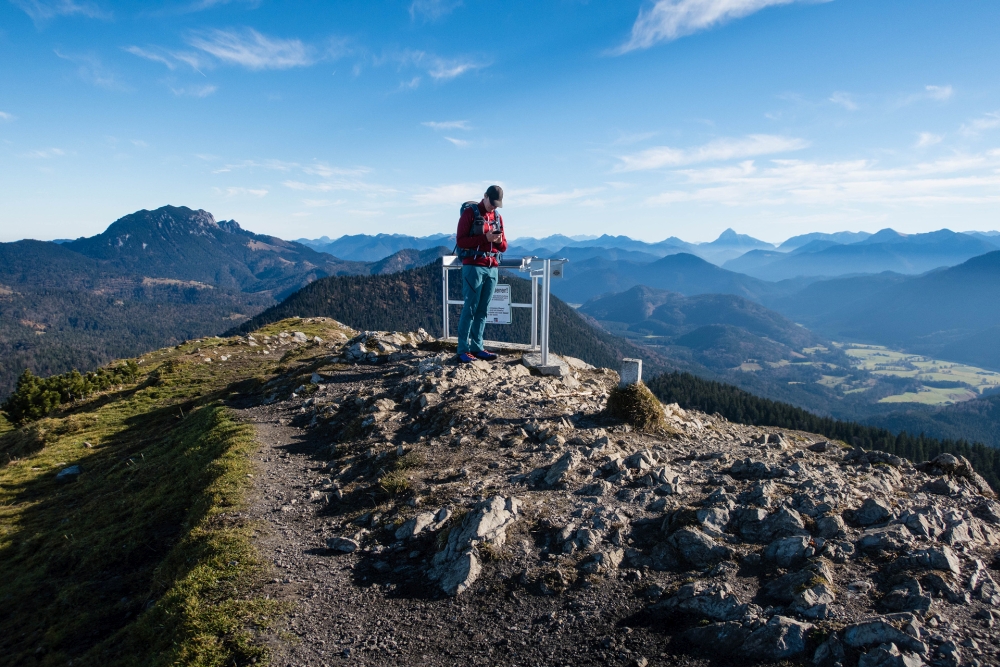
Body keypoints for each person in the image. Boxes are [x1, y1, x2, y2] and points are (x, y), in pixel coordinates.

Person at [454, 184, 508, 363]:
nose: (493, 207)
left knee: (483, 309)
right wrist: (485, 238)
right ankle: (463, 349)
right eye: (492, 202)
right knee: (470, 307)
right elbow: (461, 241)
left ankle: (477, 347)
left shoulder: (497, 217)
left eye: (496, 204)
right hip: (474, 266)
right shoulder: (470, 214)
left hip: (492, 267)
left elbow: (504, 247)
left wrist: (498, 241)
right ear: (484, 196)